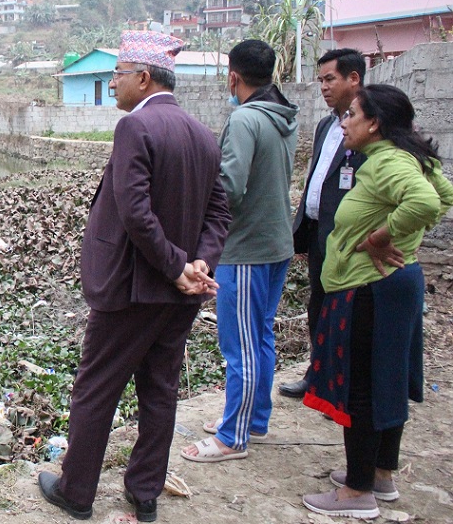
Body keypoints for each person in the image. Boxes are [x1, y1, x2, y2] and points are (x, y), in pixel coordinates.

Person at [38, 30, 231, 522]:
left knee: (96, 388)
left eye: (118, 75)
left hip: (131, 289)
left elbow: (135, 212)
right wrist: (199, 264)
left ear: (143, 78)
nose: (114, 84)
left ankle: (76, 491)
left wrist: (176, 268)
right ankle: (144, 492)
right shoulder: (202, 132)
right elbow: (219, 212)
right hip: (179, 295)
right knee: (160, 390)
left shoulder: (136, 129)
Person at [301, 84, 453, 519]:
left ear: (375, 125)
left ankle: (356, 493)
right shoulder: (404, 160)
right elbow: (443, 196)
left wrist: (382, 236)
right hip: (394, 285)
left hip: (369, 288)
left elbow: (425, 201)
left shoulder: (386, 162)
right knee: (388, 378)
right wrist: (405, 233)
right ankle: (381, 475)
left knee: (362, 386)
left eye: (352, 115)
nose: (344, 122)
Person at [181, 39, 299, 463]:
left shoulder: (246, 119)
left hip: (246, 249)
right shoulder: (284, 116)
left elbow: (229, 187)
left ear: (233, 76)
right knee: (261, 336)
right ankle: (254, 419)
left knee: (239, 346)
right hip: (277, 244)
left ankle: (233, 437)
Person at [279, 49, 367, 399]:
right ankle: (318, 374)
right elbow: (318, 176)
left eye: (330, 79)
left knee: (348, 307)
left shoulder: (373, 123)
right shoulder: (326, 124)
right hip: (319, 232)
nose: (324, 87)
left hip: (352, 237)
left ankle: (343, 382)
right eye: (321, 81)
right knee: (318, 303)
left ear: (354, 78)